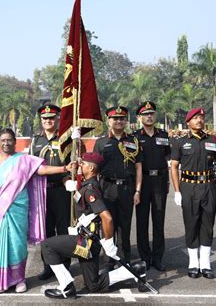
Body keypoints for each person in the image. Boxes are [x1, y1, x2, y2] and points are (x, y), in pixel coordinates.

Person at [41, 152, 147, 299]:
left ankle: (66, 286)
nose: (79, 166)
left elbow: (107, 218)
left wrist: (109, 242)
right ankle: (134, 270)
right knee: (94, 285)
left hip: (86, 242)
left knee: (47, 245)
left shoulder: (90, 189)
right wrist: (67, 181)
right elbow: (71, 180)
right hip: (89, 240)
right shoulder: (87, 183)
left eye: (82, 164)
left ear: (91, 168)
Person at [0, 128, 75, 293]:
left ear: (15, 142)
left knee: (17, 245)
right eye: (3, 140)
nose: (6, 143)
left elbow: (42, 170)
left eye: (9, 140)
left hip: (18, 210)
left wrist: (64, 168)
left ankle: (19, 280)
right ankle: (1, 281)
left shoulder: (23, 160)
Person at [170, 107, 216, 279]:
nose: (199, 120)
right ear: (188, 122)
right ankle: (193, 263)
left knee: (207, 224)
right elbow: (174, 166)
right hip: (188, 187)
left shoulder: (213, 140)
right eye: (195, 118)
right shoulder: (180, 142)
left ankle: (206, 264)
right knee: (192, 223)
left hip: (209, 186)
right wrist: (177, 191)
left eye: (201, 117)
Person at [93, 106, 142, 270]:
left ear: (126, 121)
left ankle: (124, 259)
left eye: (122, 118)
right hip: (106, 188)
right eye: (115, 118)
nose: (119, 121)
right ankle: (108, 260)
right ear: (109, 121)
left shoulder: (133, 141)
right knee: (108, 226)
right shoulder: (101, 142)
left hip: (127, 188)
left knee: (125, 226)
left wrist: (138, 190)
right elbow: (94, 168)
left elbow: (138, 168)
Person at [29, 104, 71, 280]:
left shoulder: (65, 140)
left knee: (63, 230)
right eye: (45, 118)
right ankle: (49, 266)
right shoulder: (35, 140)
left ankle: (65, 265)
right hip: (42, 192)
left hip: (61, 190)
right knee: (45, 231)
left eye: (51, 118)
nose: (48, 121)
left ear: (58, 119)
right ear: (41, 120)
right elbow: (30, 166)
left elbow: (71, 164)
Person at [133, 102, 170, 271]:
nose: (149, 116)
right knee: (142, 222)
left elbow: (169, 158)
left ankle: (158, 258)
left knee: (158, 221)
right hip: (143, 182)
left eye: (152, 113)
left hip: (160, 183)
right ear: (139, 118)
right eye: (145, 114)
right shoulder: (134, 138)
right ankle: (145, 258)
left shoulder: (163, 135)